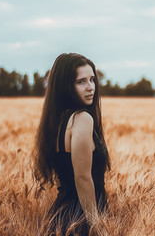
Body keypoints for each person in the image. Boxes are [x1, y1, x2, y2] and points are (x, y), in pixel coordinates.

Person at [33, 53, 111, 235]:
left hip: (61, 218)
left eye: (92, 79)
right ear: (65, 87)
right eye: (81, 82)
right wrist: (97, 226)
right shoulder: (82, 119)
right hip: (81, 220)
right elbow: (82, 178)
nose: (91, 87)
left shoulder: (56, 122)